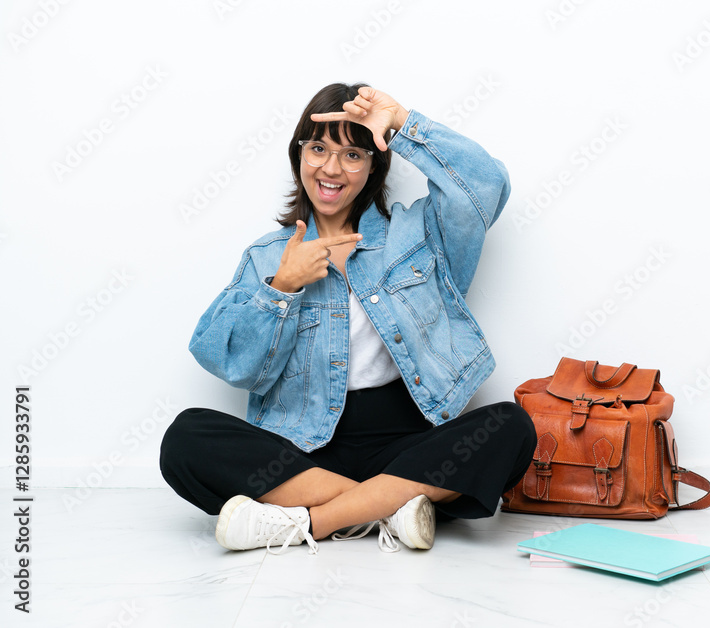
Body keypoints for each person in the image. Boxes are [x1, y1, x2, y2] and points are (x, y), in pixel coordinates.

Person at [159, 83, 537, 555]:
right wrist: (282, 287)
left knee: (511, 426)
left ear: (374, 166)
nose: (332, 169)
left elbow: (485, 185)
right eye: (318, 149)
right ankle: (390, 507)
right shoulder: (268, 257)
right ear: (299, 155)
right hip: (305, 453)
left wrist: (403, 122)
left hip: (406, 446)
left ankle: (310, 521)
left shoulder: (418, 233)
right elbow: (233, 364)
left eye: (353, 155)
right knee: (185, 437)